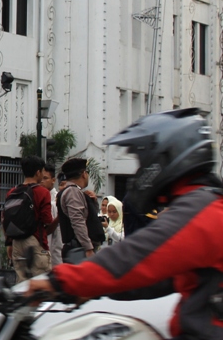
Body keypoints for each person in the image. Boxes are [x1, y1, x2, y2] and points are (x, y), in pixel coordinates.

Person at [28, 108, 223, 339]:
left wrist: (61, 281)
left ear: (166, 158)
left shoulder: (200, 210)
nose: (141, 172)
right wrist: (93, 288)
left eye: (144, 162)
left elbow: (138, 255)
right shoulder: (206, 201)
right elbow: (161, 276)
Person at [3, 156, 54, 282]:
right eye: (42, 172)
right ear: (38, 172)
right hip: (35, 241)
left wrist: (9, 243)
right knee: (40, 283)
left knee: (22, 284)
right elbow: (47, 220)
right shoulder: (42, 192)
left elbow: (5, 219)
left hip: (16, 243)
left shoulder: (12, 192)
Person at [56, 157, 105, 263]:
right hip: (79, 249)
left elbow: (90, 217)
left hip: (81, 247)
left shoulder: (76, 192)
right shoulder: (72, 192)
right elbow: (77, 221)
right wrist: (88, 248)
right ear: (83, 174)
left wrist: (93, 201)